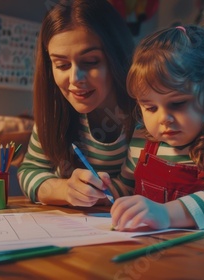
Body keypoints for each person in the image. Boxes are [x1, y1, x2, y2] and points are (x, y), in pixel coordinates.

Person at [109, 25, 204, 231]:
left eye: (177, 103)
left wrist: (166, 213)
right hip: (156, 251)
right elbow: (127, 187)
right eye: (150, 107)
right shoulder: (143, 137)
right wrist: (102, 190)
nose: (164, 119)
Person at [18, 0, 136, 206]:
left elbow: (138, 186)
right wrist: (64, 189)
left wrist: (91, 194)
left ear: (117, 57)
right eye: (62, 65)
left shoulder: (148, 110)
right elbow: (30, 170)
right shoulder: (54, 112)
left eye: (91, 62)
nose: (75, 79)